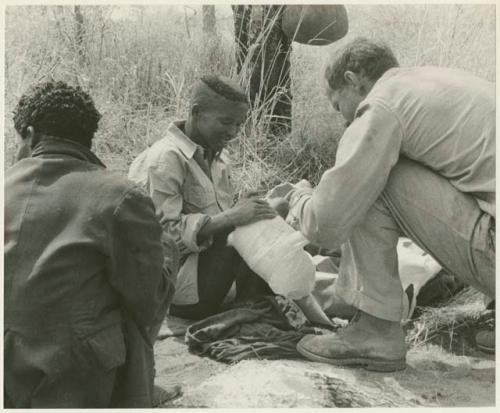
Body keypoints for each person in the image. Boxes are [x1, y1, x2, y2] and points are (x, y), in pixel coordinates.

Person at [283, 38, 495, 371]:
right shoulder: (435, 82)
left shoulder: (383, 104)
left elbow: (326, 224)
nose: (343, 121)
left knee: (372, 179)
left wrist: (299, 200)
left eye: (339, 105)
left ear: (353, 80)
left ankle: (375, 330)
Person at [4, 81, 179, 407]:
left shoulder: (5, 185)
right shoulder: (120, 195)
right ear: (87, 136)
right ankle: (139, 395)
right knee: (136, 288)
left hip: (8, 368)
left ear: (29, 134)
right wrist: (168, 248)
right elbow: (150, 301)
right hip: (72, 375)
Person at [128, 75, 277, 320]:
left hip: (210, 275)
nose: (233, 132)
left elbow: (221, 216)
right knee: (234, 232)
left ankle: (250, 301)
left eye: (239, 124)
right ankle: (249, 304)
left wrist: (245, 208)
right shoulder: (165, 159)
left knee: (271, 212)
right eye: (226, 122)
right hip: (169, 287)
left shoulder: (219, 157)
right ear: (196, 112)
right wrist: (233, 216)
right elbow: (159, 240)